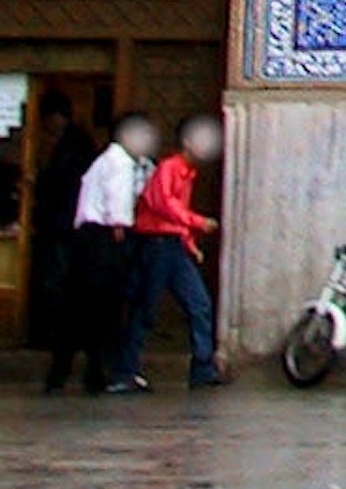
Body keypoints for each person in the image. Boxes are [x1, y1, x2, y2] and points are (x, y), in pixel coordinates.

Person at [110, 113, 224, 393]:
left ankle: (203, 367)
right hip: (156, 244)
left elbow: (176, 213)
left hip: (172, 245)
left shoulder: (186, 173)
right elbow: (164, 204)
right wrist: (197, 223)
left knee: (199, 304)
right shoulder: (169, 168)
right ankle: (125, 371)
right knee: (144, 308)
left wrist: (189, 243)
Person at [53, 110, 152, 394]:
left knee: (79, 309)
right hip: (102, 240)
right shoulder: (119, 163)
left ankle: (62, 374)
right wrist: (120, 228)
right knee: (102, 309)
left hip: (87, 239)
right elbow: (117, 201)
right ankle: (99, 373)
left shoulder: (105, 160)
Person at [29, 90, 98, 391]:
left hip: (68, 232)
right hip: (66, 232)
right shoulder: (69, 144)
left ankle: (72, 367)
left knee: (65, 297)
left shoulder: (75, 147)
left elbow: (64, 184)